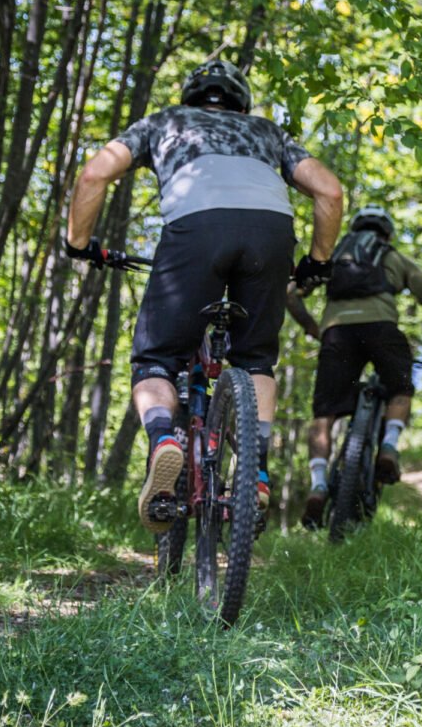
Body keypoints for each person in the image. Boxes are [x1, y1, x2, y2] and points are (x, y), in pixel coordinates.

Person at [64, 58, 342, 533]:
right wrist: (317, 260)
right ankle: (252, 471)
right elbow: (331, 192)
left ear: (193, 95)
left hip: (196, 230)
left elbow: (93, 176)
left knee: (155, 359)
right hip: (271, 235)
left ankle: (163, 442)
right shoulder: (267, 132)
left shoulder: (163, 121)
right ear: (241, 100)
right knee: (255, 361)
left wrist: (78, 242)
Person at [288, 204, 422, 527]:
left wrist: (314, 329)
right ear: (387, 233)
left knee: (324, 415)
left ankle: (319, 485)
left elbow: (291, 294)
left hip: (336, 333)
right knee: (400, 389)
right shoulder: (394, 258)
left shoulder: (335, 256)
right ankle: (390, 447)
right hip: (382, 328)